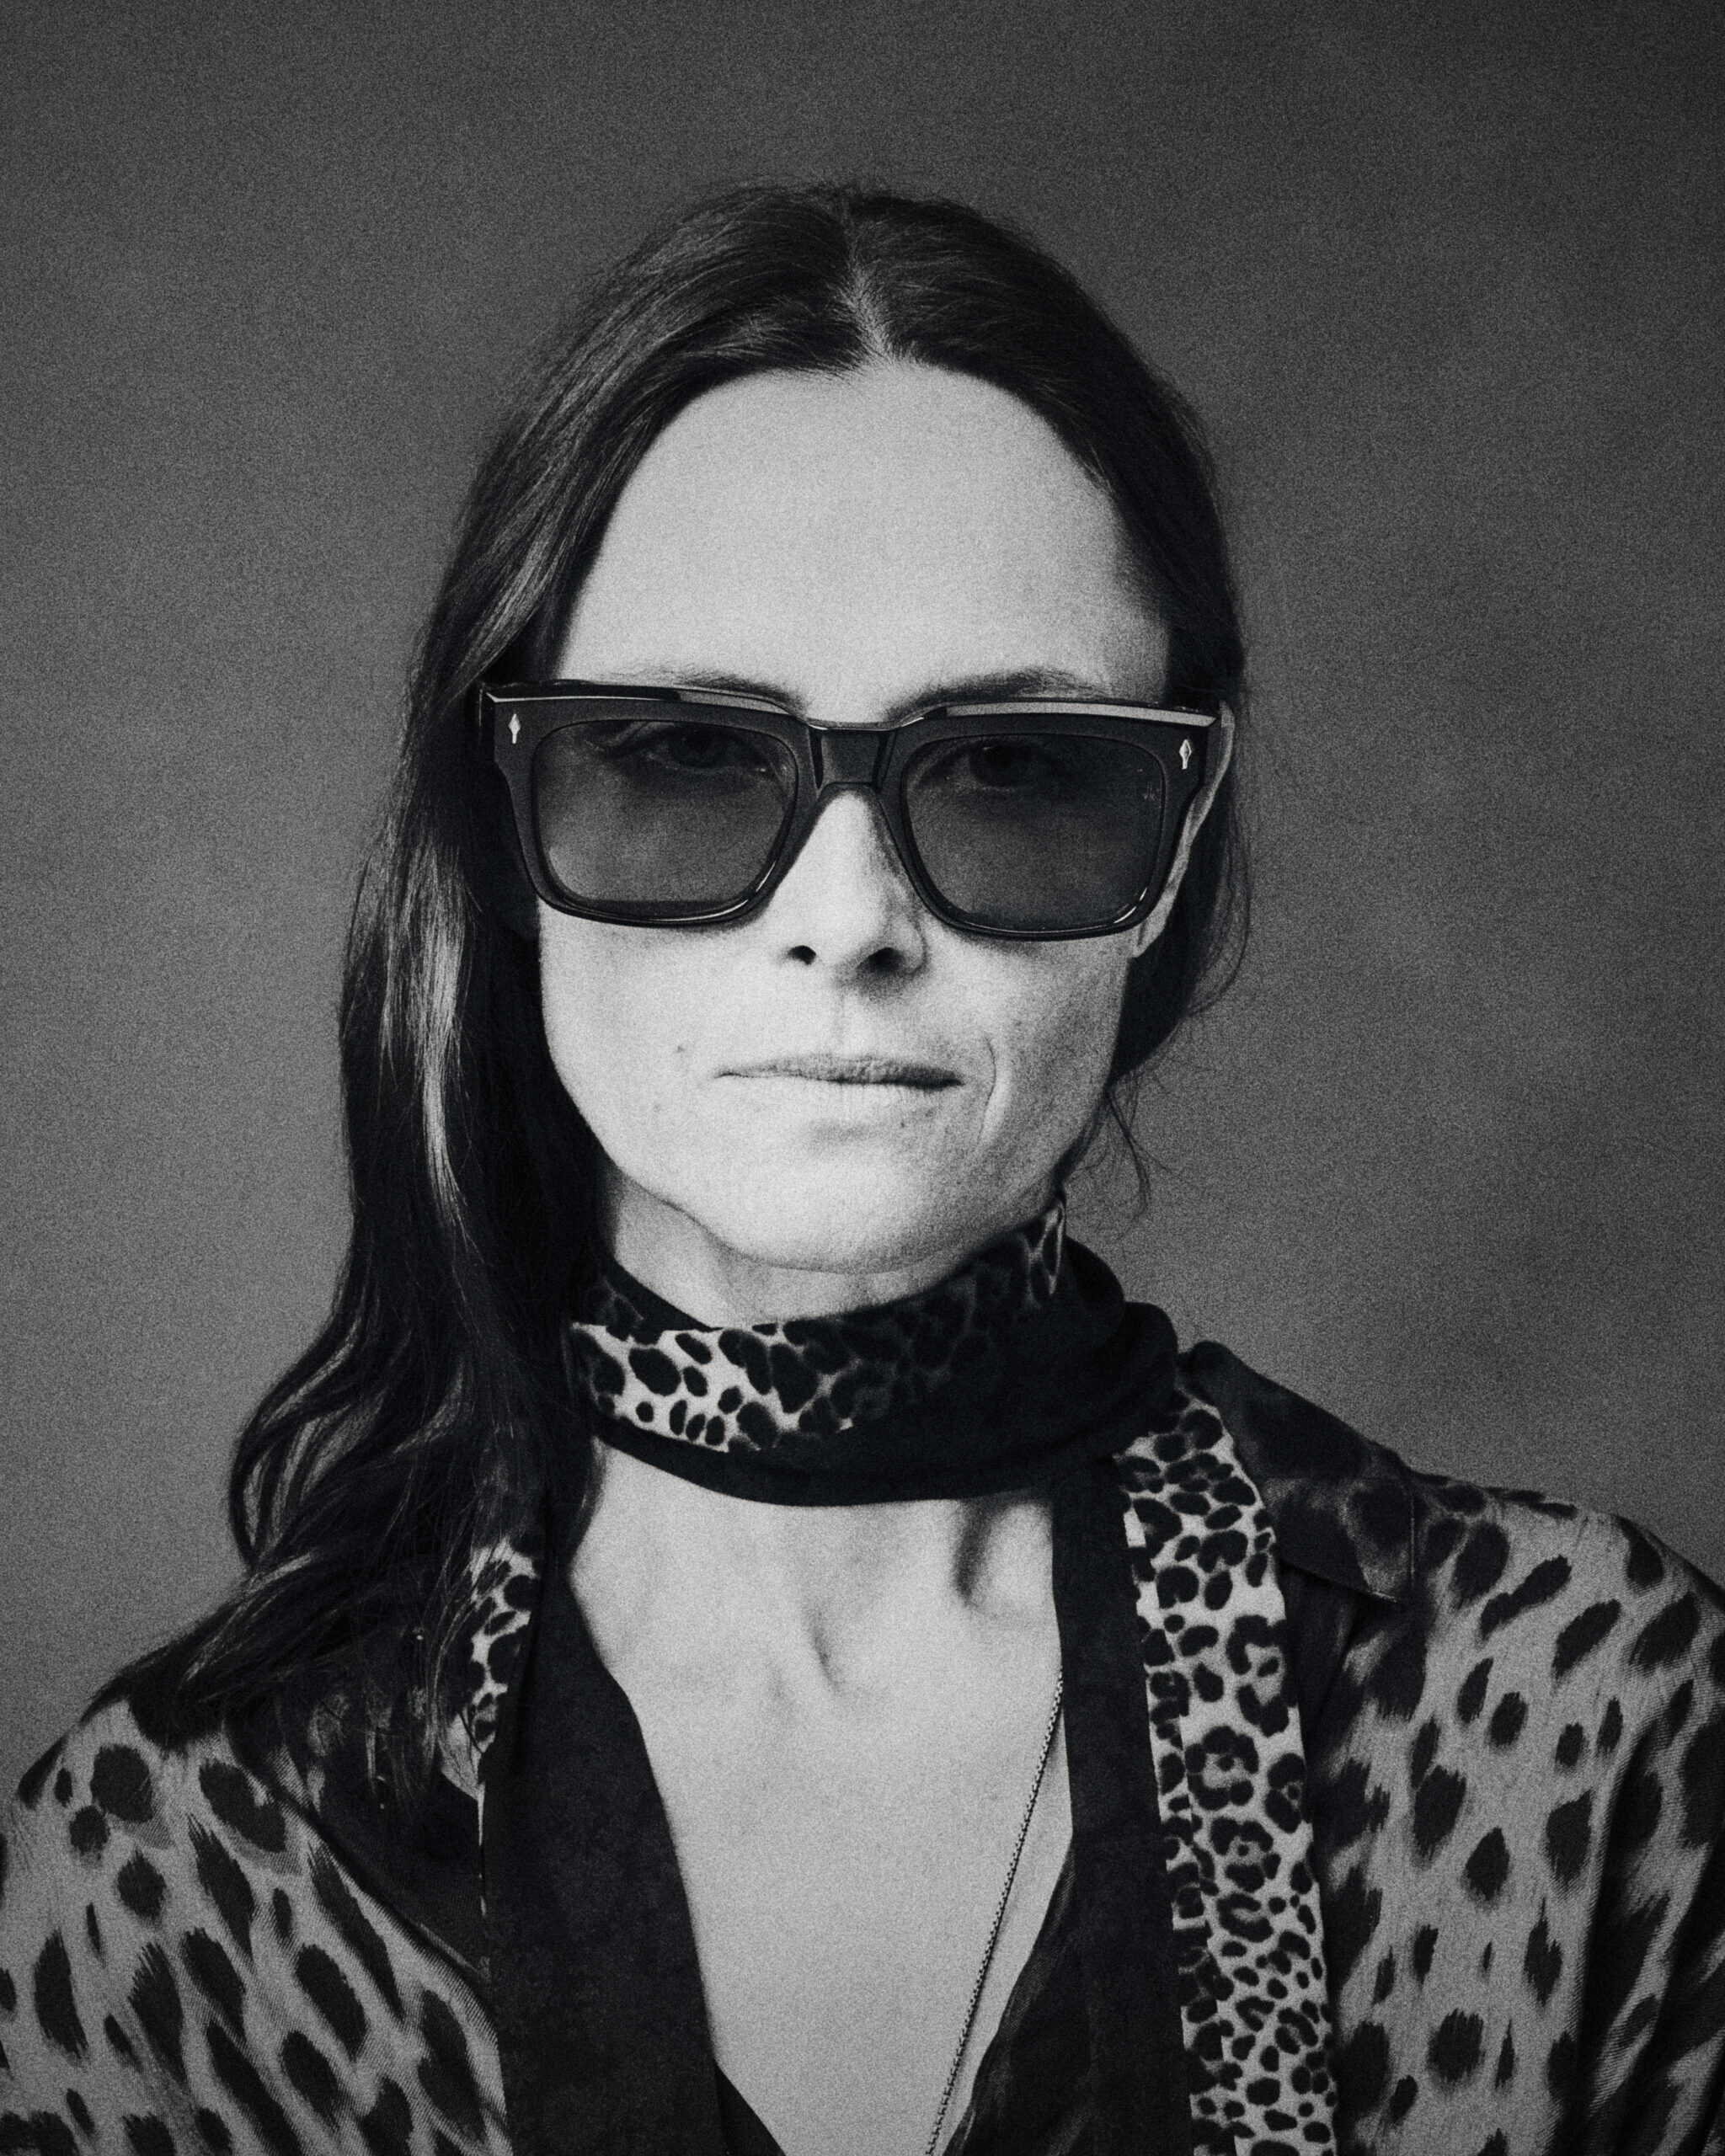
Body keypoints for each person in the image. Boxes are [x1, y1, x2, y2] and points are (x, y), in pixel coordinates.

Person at [3, 183, 1721, 2156]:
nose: (848, 916)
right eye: (679, 751)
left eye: (1014, 769)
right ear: (499, 824)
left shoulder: (1579, 1733)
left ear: (1175, 846)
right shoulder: (190, 1867)